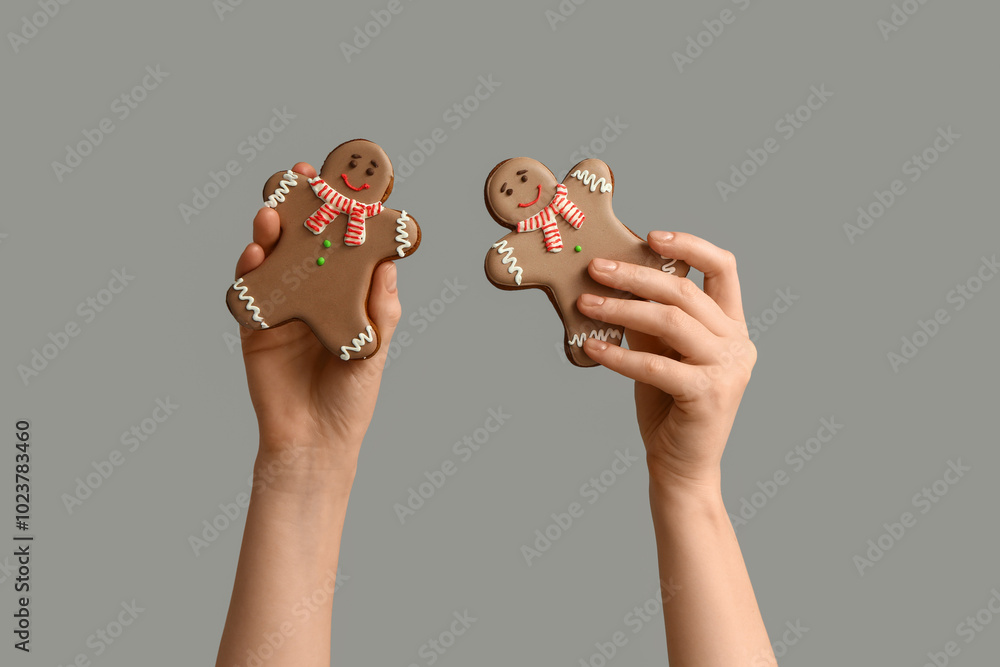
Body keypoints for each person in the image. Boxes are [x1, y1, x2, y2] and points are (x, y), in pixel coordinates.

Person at [216, 161, 776, 666]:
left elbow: (572, 203)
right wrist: (304, 464)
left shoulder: (583, 197)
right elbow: (508, 256)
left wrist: (688, 484)